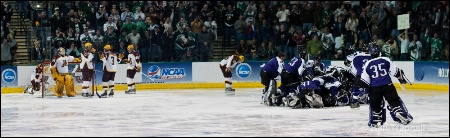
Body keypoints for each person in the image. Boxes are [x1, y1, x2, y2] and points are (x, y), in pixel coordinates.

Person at [360, 46, 413, 128]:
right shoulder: (385, 59)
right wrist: (401, 78)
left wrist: (364, 92)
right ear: (379, 52)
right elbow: (396, 72)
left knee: (376, 105)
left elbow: (364, 81)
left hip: (375, 88)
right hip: (387, 85)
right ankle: (397, 111)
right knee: (393, 101)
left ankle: (376, 119)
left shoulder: (367, 64)